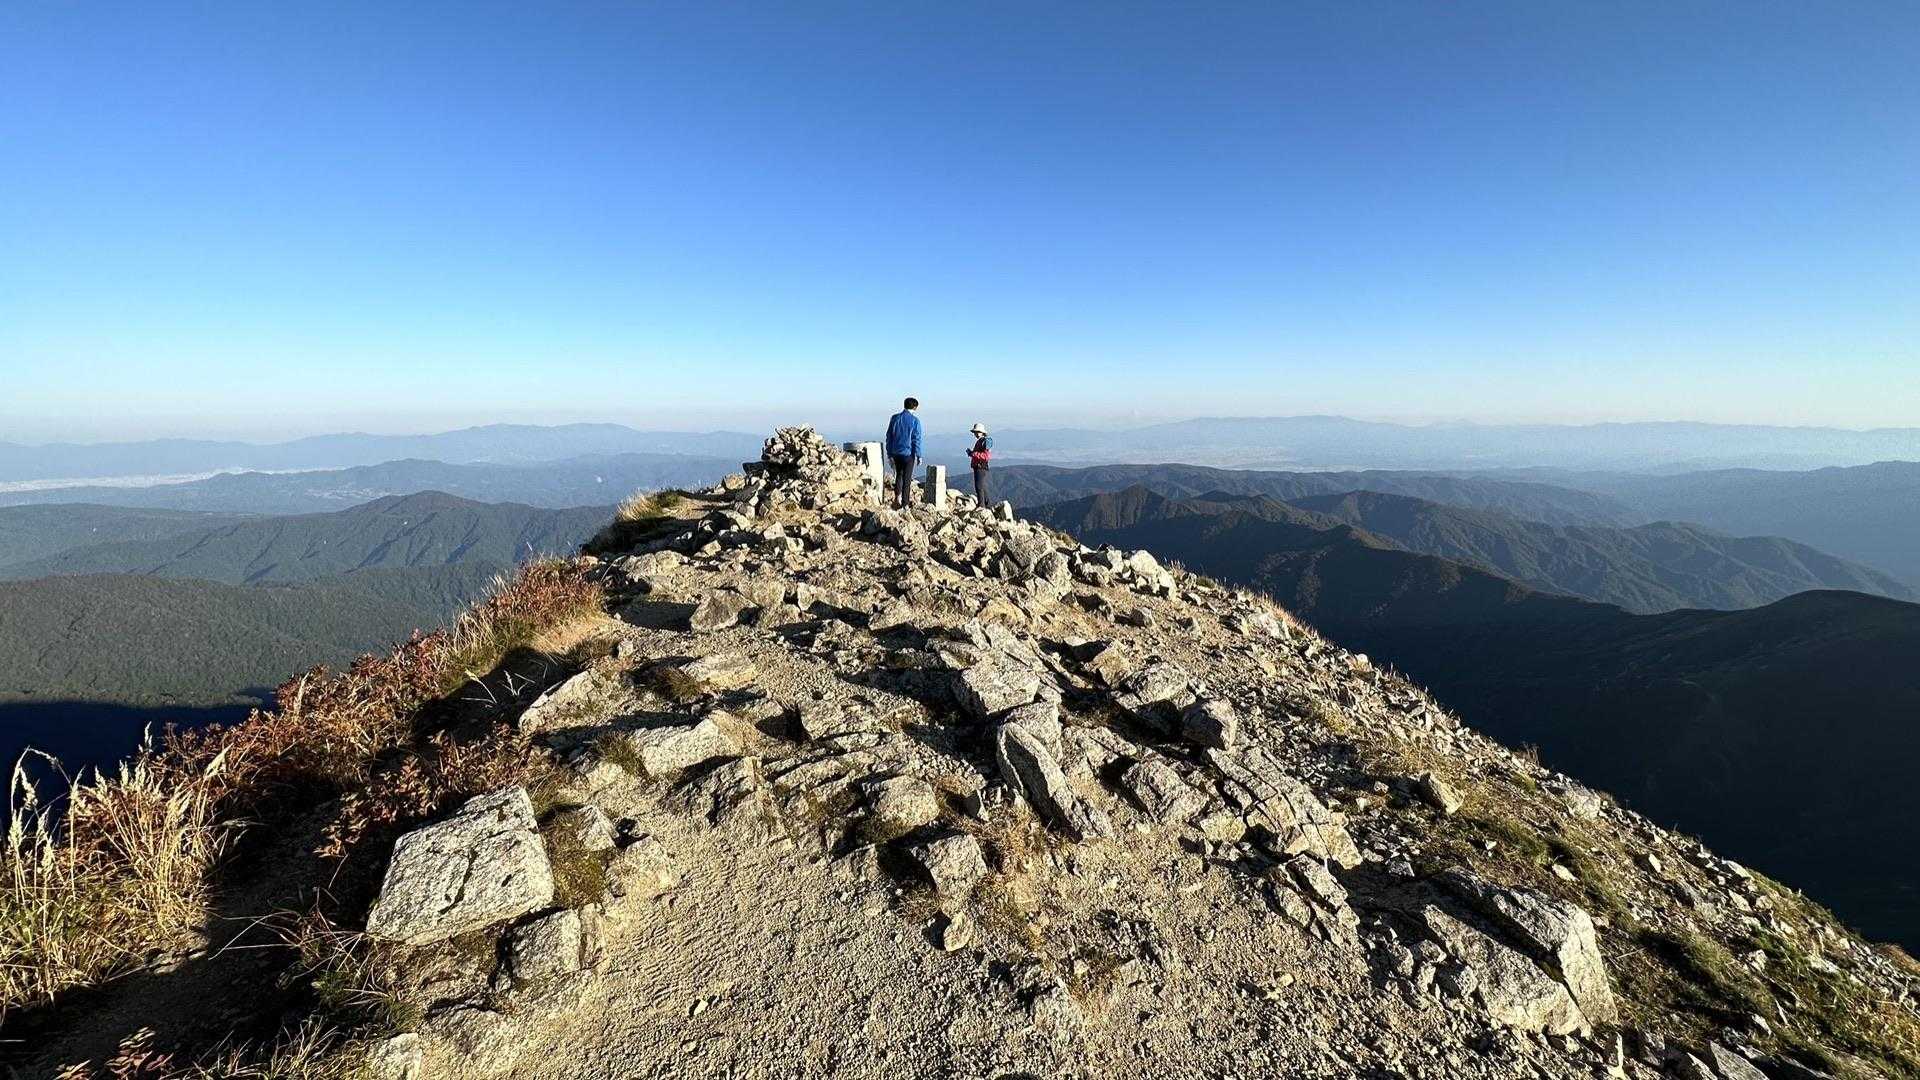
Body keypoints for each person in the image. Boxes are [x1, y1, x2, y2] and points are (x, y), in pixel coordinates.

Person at [883, 397, 923, 509]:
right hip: (908, 454)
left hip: (896, 453)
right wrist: (919, 455)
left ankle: (897, 498)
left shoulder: (894, 418)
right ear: (915, 407)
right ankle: (905, 504)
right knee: (907, 479)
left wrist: (889, 454)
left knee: (899, 475)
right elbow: (916, 439)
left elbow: (889, 436)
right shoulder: (915, 421)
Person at [967, 422, 993, 505]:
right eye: (975, 432)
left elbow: (986, 456)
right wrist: (971, 453)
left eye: (978, 432)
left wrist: (973, 454)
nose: (976, 434)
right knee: (982, 486)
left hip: (980, 467)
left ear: (982, 432)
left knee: (979, 486)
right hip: (980, 466)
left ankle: (981, 505)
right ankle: (987, 504)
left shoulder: (983, 442)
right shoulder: (981, 441)